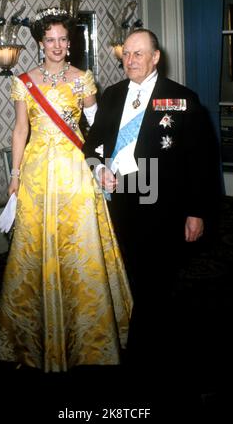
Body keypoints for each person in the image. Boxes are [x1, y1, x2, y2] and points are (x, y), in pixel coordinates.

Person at [0, 7, 132, 373]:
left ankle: (89, 331)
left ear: (70, 44)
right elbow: (20, 131)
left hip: (74, 167)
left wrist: (101, 164)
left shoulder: (82, 79)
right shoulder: (24, 81)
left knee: (80, 244)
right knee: (34, 247)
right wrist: (15, 176)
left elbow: (96, 125)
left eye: (62, 40)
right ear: (41, 43)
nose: (56, 46)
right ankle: (33, 334)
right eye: (49, 40)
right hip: (38, 170)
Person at [83, 28, 221, 388]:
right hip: (123, 199)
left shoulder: (180, 99)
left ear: (156, 57)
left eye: (139, 54)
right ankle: (153, 344)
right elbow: (91, 144)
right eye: (126, 54)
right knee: (136, 275)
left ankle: (145, 361)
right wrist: (99, 168)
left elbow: (201, 161)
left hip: (165, 202)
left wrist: (197, 211)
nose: (131, 60)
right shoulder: (112, 96)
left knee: (154, 280)